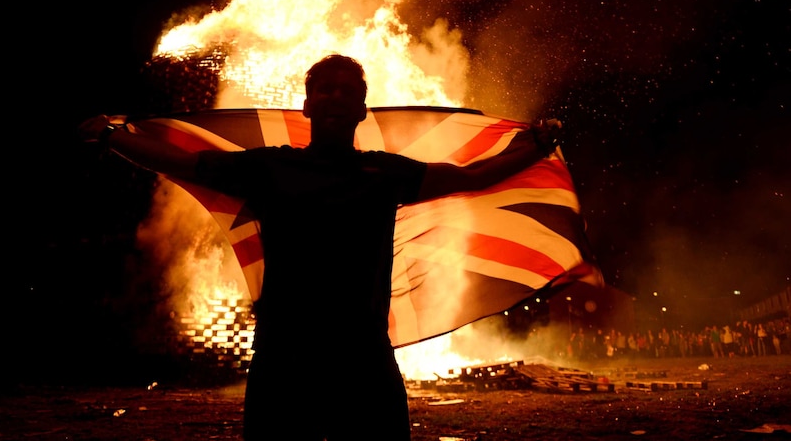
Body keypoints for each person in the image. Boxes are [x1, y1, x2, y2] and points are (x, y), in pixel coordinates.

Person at [79, 54, 562, 441]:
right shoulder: (269, 168)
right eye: (324, 89)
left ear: (360, 111)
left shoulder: (385, 172)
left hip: (363, 353)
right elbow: (184, 163)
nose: (334, 97)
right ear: (307, 106)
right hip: (285, 353)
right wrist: (112, 136)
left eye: (347, 91)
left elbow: (471, 176)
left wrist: (535, 147)